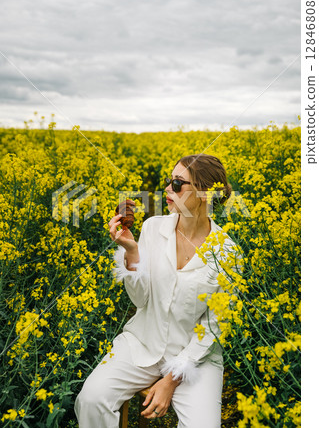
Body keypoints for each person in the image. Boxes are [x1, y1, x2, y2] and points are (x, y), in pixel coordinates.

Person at [74, 154, 241, 428]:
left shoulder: (227, 252)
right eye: (168, 181)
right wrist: (132, 251)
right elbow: (141, 299)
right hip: (142, 342)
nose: (167, 189)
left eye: (177, 183)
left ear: (204, 193)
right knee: (91, 400)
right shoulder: (152, 228)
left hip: (194, 358)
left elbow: (215, 325)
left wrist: (171, 380)